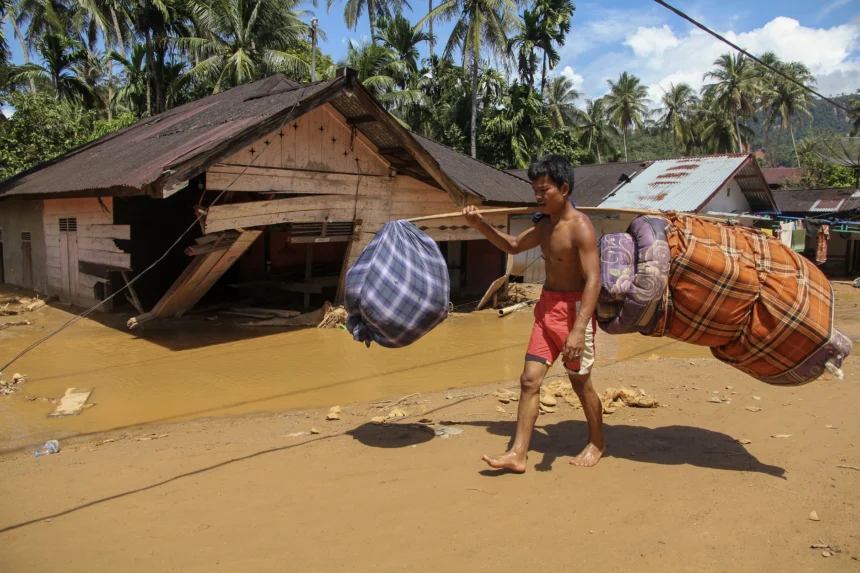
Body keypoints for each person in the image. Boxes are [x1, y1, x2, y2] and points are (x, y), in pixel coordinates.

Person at [462, 155, 603, 471]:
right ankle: (518, 454)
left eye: (544, 191)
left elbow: (594, 279)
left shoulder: (581, 227)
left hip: (575, 312)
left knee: (580, 384)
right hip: (546, 308)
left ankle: (597, 441)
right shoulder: (543, 226)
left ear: (564, 188)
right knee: (529, 380)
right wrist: (480, 224)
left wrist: (579, 328)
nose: (537, 197)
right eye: (535, 191)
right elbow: (512, 245)